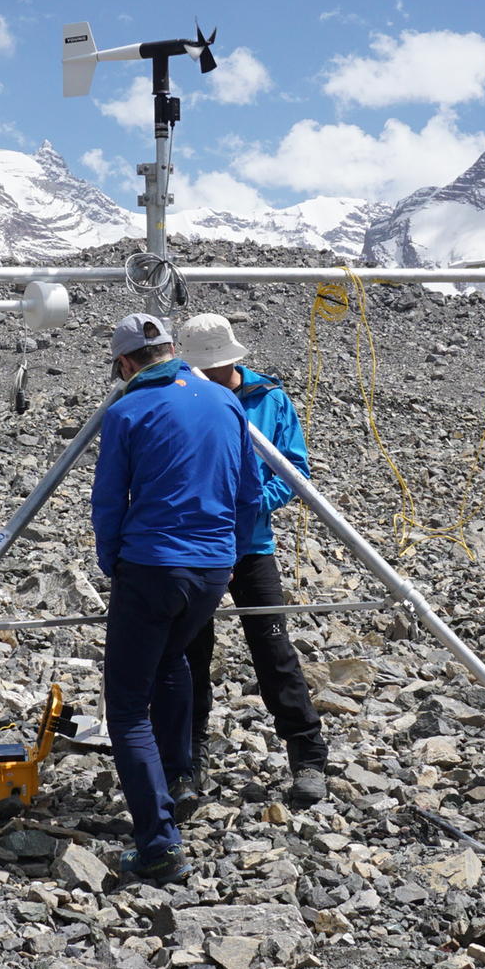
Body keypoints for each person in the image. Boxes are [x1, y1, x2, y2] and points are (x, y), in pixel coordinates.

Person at [91, 313, 257, 884]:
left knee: (128, 706)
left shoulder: (126, 411)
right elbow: (248, 491)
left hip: (153, 566)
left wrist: (112, 560)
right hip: (213, 568)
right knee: (174, 660)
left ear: (126, 363)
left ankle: (158, 843)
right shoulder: (222, 399)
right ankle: (180, 775)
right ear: (170, 348)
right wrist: (228, 555)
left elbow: (110, 499)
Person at [177, 313, 331, 807]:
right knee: (190, 654)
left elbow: (294, 468)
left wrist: (254, 502)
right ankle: (187, 758)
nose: (210, 374)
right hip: (196, 547)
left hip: (249, 546)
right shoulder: (182, 398)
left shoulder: (270, 401)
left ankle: (307, 757)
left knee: (272, 647)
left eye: (217, 367)